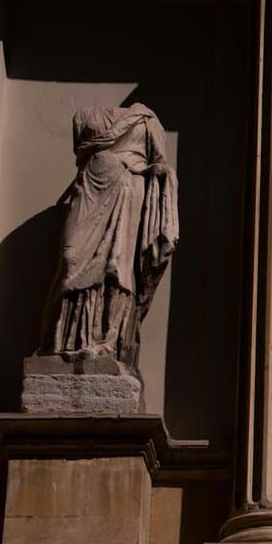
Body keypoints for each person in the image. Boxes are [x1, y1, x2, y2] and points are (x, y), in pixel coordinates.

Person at [39, 103, 178, 373]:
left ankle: (107, 344)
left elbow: (160, 164)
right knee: (71, 259)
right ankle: (65, 342)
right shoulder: (84, 114)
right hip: (89, 187)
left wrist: (154, 173)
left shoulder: (147, 117)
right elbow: (80, 151)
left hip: (127, 192)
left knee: (117, 269)